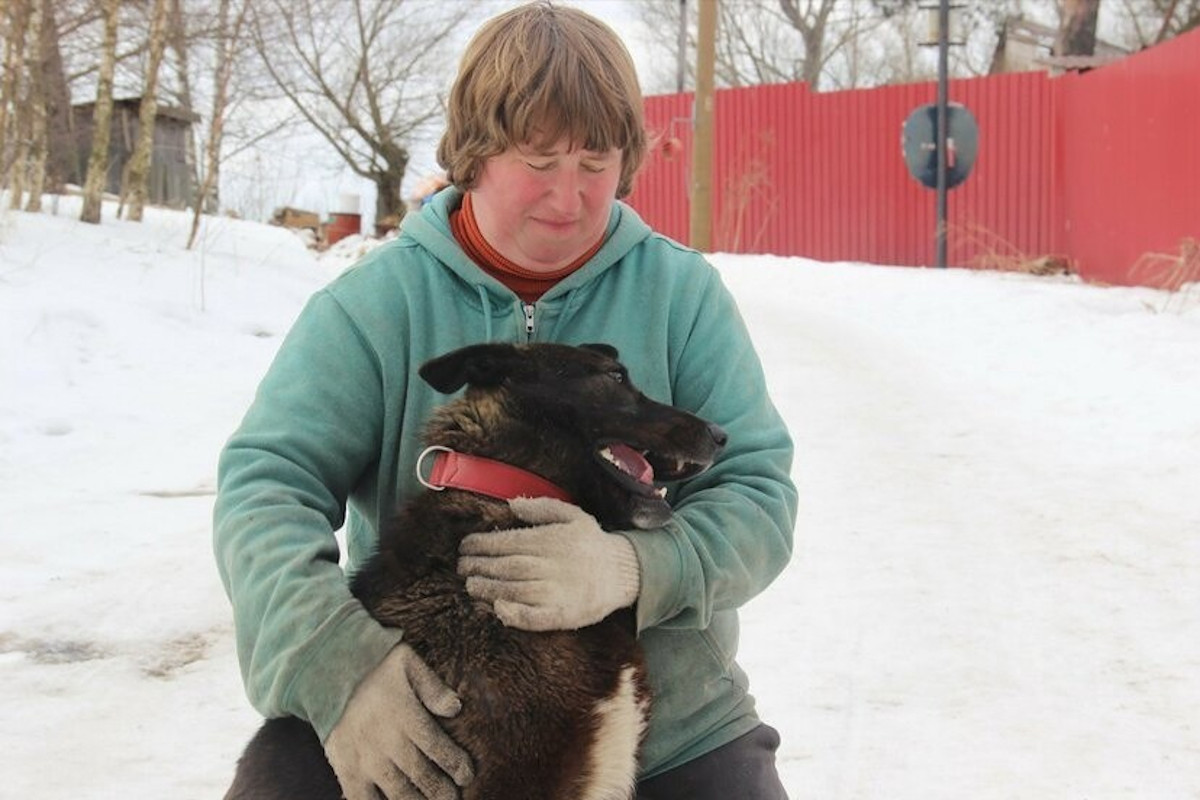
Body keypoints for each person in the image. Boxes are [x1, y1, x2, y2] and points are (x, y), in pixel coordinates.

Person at [213, 2, 797, 799]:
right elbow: (266, 487)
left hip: (672, 731)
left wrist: (633, 568)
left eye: (595, 163)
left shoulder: (681, 295)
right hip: (435, 713)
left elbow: (759, 495)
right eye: (539, 160)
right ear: (476, 154)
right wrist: (337, 668)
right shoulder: (373, 307)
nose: (569, 197)